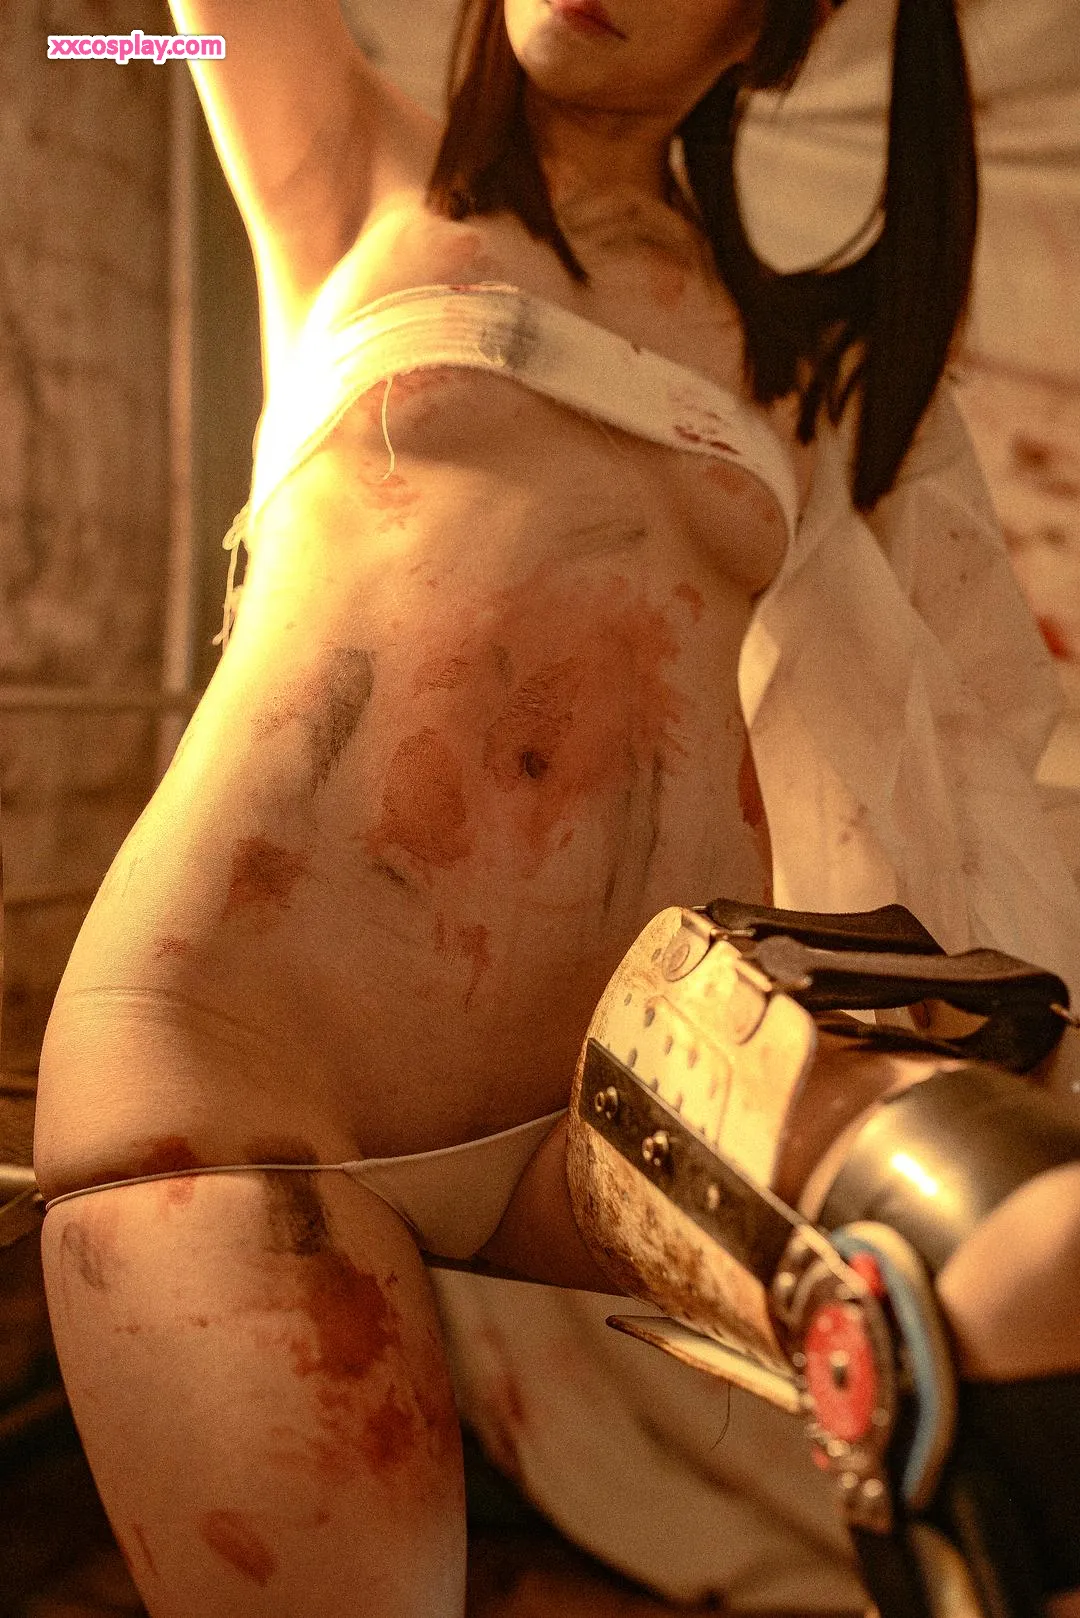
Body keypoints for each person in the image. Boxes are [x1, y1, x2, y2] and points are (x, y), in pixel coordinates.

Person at [32, 0, 1080, 1614]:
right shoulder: (354, 161)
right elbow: (133, 42)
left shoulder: (800, 362)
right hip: (239, 1060)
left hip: (630, 1087)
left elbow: (967, 732)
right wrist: (97, 48)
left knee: (1030, 1259)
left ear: (760, 39)